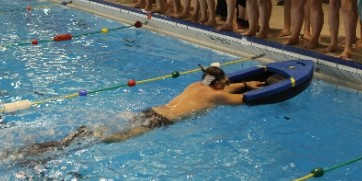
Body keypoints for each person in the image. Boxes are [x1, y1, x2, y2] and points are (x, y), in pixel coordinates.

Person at [13, 65, 264, 154]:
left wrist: (242, 82)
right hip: (161, 122)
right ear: (221, 85)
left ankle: (73, 137)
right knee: (112, 138)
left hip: (151, 111)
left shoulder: (196, 85)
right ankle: (66, 144)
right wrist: (249, 87)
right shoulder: (217, 98)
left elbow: (223, 90)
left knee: (107, 129)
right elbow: (244, 99)